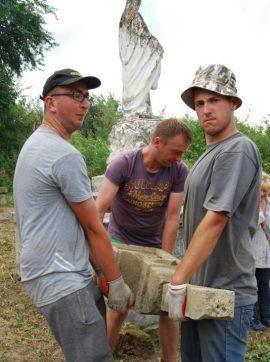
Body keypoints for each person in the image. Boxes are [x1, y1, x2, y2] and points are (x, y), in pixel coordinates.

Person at [13, 68, 133, 362]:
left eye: (87, 97)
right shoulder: (62, 154)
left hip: (54, 273)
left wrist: (96, 268)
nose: (85, 104)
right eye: (76, 95)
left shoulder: (37, 144)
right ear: (50, 103)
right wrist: (115, 280)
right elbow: (93, 227)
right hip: (61, 278)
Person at [165, 64, 262, 362]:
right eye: (199, 103)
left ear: (233, 103)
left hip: (225, 293)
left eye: (215, 100)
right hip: (200, 289)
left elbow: (216, 219)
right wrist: (186, 280)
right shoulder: (210, 154)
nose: (206, 109)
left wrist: (178, 278)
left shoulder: (237, 150)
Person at [96, 118, 191, 362]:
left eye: (182, 153)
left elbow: (172, 219)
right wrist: (95, 254)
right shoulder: (124, 164)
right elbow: (99, 208)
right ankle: (104, 356)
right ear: (157, 142)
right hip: (120, 241)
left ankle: (169, 359)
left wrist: (166, 261)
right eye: (176, 152)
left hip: (154, 245)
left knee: (167, 308)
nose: (179, 158)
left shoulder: (178, 171)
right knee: (119, 306)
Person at [119, 0, 164, 118]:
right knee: (138, 84)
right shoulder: (128, 20)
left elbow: (144, 37)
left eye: (137, 3)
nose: (136, 5)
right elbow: (143, 36)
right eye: (134, 2)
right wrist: (156, 46)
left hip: (138, 59)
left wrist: (155, 45)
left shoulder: (135, 18)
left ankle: (144, 109)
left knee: (143, 84)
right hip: (134, 61)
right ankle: (138, 110)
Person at [250, 181, 270, 330]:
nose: (265, 195)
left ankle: (266, 317)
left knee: (264, 287)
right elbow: (250, 227)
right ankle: (254, 319)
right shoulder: (249, 206)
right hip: (252, 255)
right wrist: (262, 213)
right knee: (253, 288)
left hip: (265, 255)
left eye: (267, 192)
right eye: (262, 191)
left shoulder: (267, 204)